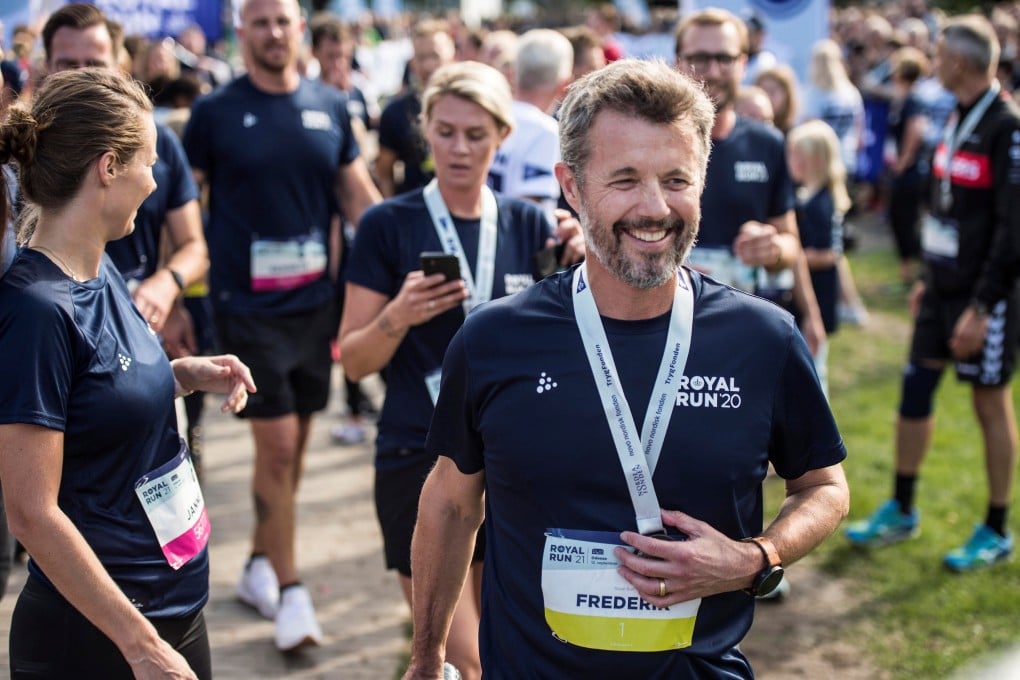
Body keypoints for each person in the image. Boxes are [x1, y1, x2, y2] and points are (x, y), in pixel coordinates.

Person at [402, 59, 849, 679]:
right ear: (571, 186)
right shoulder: (495, 339)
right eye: (625, 179)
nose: (654, 208)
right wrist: (427, 659)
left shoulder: (763, 339)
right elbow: (451, 506)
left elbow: (824, 486)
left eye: (676, 179)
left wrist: (756, 558)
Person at [0, 67, 255, 680]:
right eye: (150, 160)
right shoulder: (36, 311)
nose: (156, 177)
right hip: (99, 637)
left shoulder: (102, 266)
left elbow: (92, 399)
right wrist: (140, 646)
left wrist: (178, 376)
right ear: (108, 167)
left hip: (172, 606)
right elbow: (31, 513)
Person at [340, 60, 583, 680]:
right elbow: (355, 356)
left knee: (509, 644)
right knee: (466, 656)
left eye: (476, 134)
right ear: (425, 131)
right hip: (417, 461)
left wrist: (586, 262)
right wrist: (398, 315)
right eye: (445, 131)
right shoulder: (387, 225)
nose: (459, 148)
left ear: (502, 136)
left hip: (512, 462)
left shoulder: (532, 224)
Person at [182, 0, 381, 651]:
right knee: (272, 449)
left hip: (313, 308)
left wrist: (405, 249)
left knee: (293, 447)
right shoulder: (215, 113)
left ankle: (260, 565)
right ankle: (293, 595)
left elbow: (357, 199)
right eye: (259, 21)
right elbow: (184, 208)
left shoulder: (330, 103)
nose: (272, 32)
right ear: (240, 32)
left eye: (282, 20)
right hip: (247, 311)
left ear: (301, 27)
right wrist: (183, 295)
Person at [845, 15, 1020, 572]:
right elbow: (947, 206)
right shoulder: (958, 113)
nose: (931, 63)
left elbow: (1013, 230)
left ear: (960, 63)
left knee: (988, 402)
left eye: (939, 55)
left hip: (982, 300)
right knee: (914, 393)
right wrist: (925, 277)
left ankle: (995, 529)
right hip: (940, 290)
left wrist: (983, 306)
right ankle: (902, 506)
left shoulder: (1006, 126)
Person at [42, 3, 212, 457]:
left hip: (140, 341)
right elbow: (35, 508)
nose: (80, 74)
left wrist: (167, 286)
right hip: (59, 357)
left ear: (119, 62)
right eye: (66, 64)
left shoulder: (157, 143)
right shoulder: (27, 153)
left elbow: (193, 245)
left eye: (93, 63)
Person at [675, 8, 826, 357]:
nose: (712, 71)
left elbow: (789, 241)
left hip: (743, 327)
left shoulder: (766, 143)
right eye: (699, 57)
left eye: (724, 58)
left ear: (743, 63)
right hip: (663, 327)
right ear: (677, 61)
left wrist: (772, 249)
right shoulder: (650, 144)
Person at [787, 120, 853, 396]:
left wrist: (791, 255)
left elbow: (828, 254)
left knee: (814, 362)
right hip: (808, 289)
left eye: (795, 155)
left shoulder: (821, 203)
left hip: (818, 290)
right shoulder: (805, 196)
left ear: (811, 159)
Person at [487, 28, 573, 216]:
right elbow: (529, 210)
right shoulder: (545, 130)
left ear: (513, 73)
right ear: (564, 85)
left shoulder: (490, 117)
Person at [376, 20, 455, 198]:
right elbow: (384, 173)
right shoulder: (395, 111)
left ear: (451, 56)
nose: (428, 66)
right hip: (415, 212)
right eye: (421, 57)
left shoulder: (470, 106)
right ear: (412, 62)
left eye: (435, 56)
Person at [885, 46, 931, 287]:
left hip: (909, 174)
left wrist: (904, 161)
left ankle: (916, 274)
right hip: (903, 171)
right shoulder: (903, 98)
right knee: (898, 220)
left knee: (905, 221)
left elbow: (916, 129)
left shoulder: (913, 99)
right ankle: (908, 274)